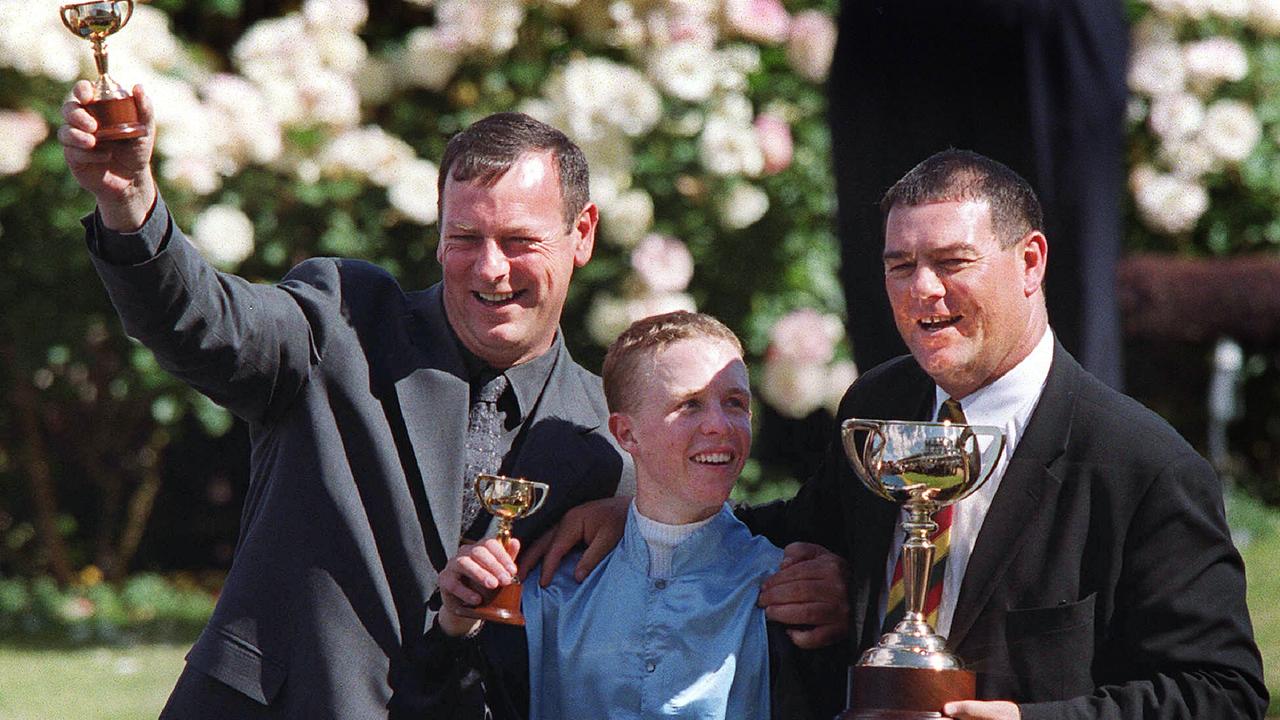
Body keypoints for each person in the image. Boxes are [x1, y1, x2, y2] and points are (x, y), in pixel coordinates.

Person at [59, 83, 634, 717]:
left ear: (582, 234)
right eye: (465, 237)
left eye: (520, 241)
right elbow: (203, 323)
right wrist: (131, 204)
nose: (490, 268)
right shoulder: (345, 320)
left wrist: (634, 517)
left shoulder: (608, 443)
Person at [740, 149, 1268, 719]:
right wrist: (638, 509)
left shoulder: (1142, 466)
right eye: (900, 266)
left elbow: (1221, 693)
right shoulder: (879, 404)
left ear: (1031, 262)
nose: (923, 289)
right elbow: (803, 532)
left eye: (953, 262)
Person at [415, 311, 835, 719]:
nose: (720, 425)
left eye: (735, 403)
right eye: (689, 405)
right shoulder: (551, 592)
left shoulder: (787, 591)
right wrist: (457, 625)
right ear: (625, 433)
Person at [830, 1, 1128, 391]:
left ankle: (1079, 451)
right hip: (895, 27)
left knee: (1072, 278)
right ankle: (906, 449)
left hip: (1048, 21)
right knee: (901, 260)